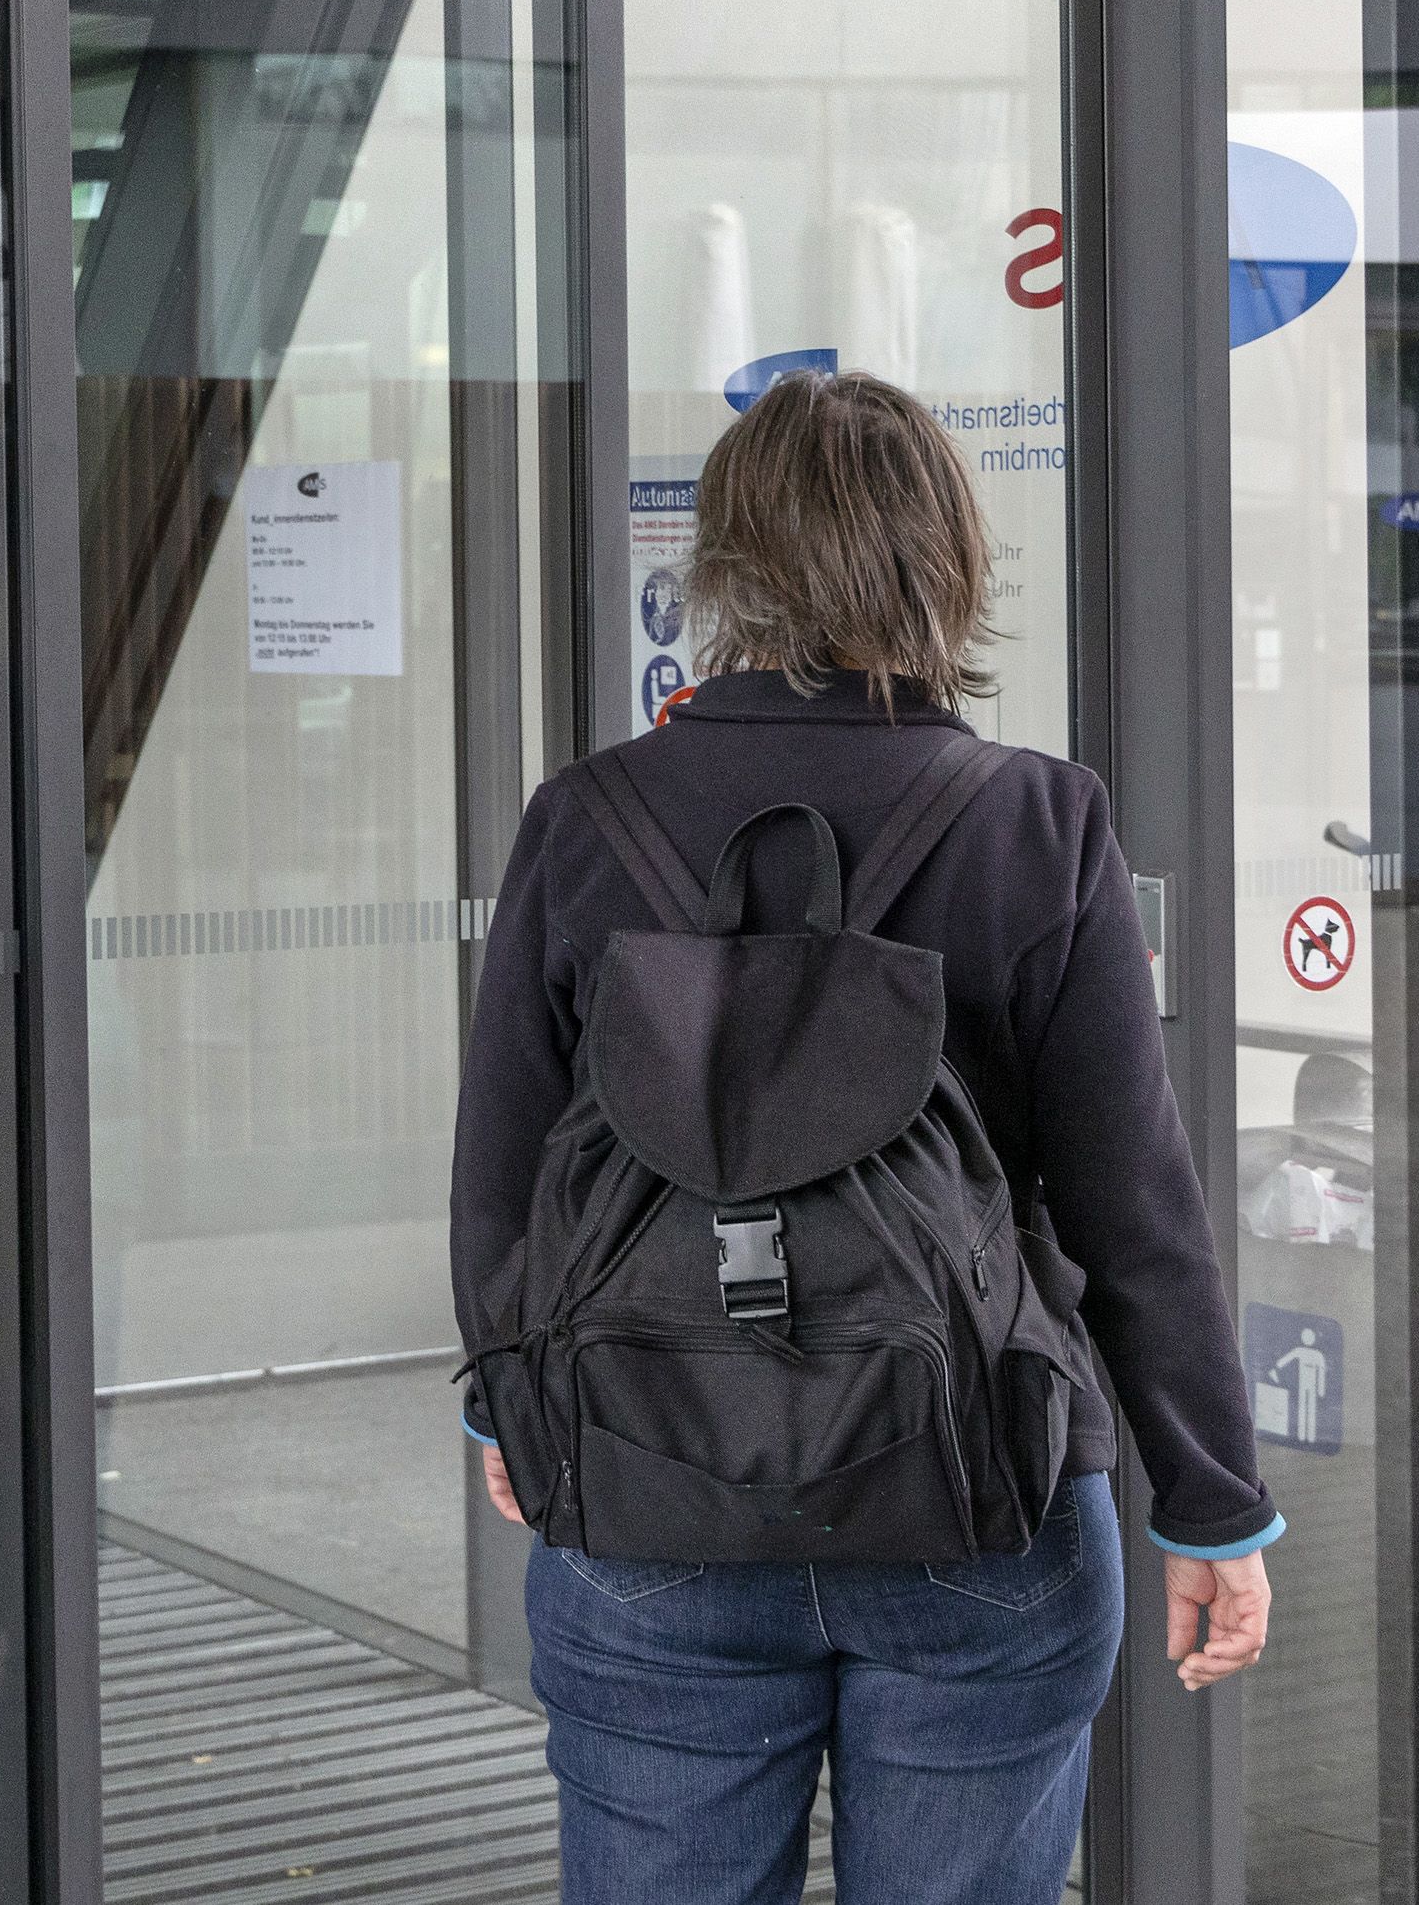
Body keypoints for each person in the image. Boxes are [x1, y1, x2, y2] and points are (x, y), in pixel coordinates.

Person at [452, 368, 1277, 1905]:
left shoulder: (587, 816)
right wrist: (1213, 1501)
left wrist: (513, 1409)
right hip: (981, 1491)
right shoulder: (1036, 821)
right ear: (944, 560)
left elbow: (502, 1170)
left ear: (724, 562)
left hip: (648, 1472)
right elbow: (1134, 1207)